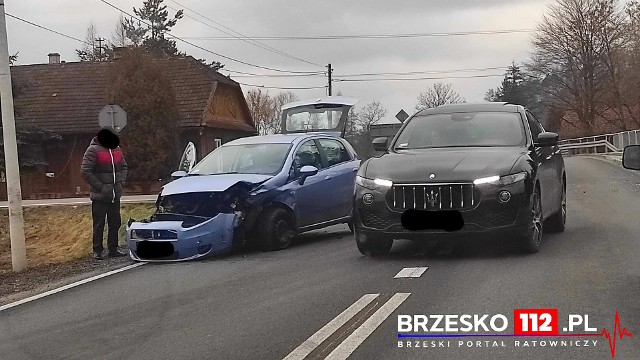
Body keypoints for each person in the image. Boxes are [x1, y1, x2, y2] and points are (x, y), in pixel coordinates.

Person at [81, 127, 128, 260]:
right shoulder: (93, 150)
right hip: (100, 195)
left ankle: (113, 249)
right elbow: (85, 171)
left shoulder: (117, 150)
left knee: (115, 222)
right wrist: (100, 187)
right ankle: (97, 250)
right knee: (99, 223)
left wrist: (121, 183)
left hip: (115, 194)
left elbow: (124, 167)